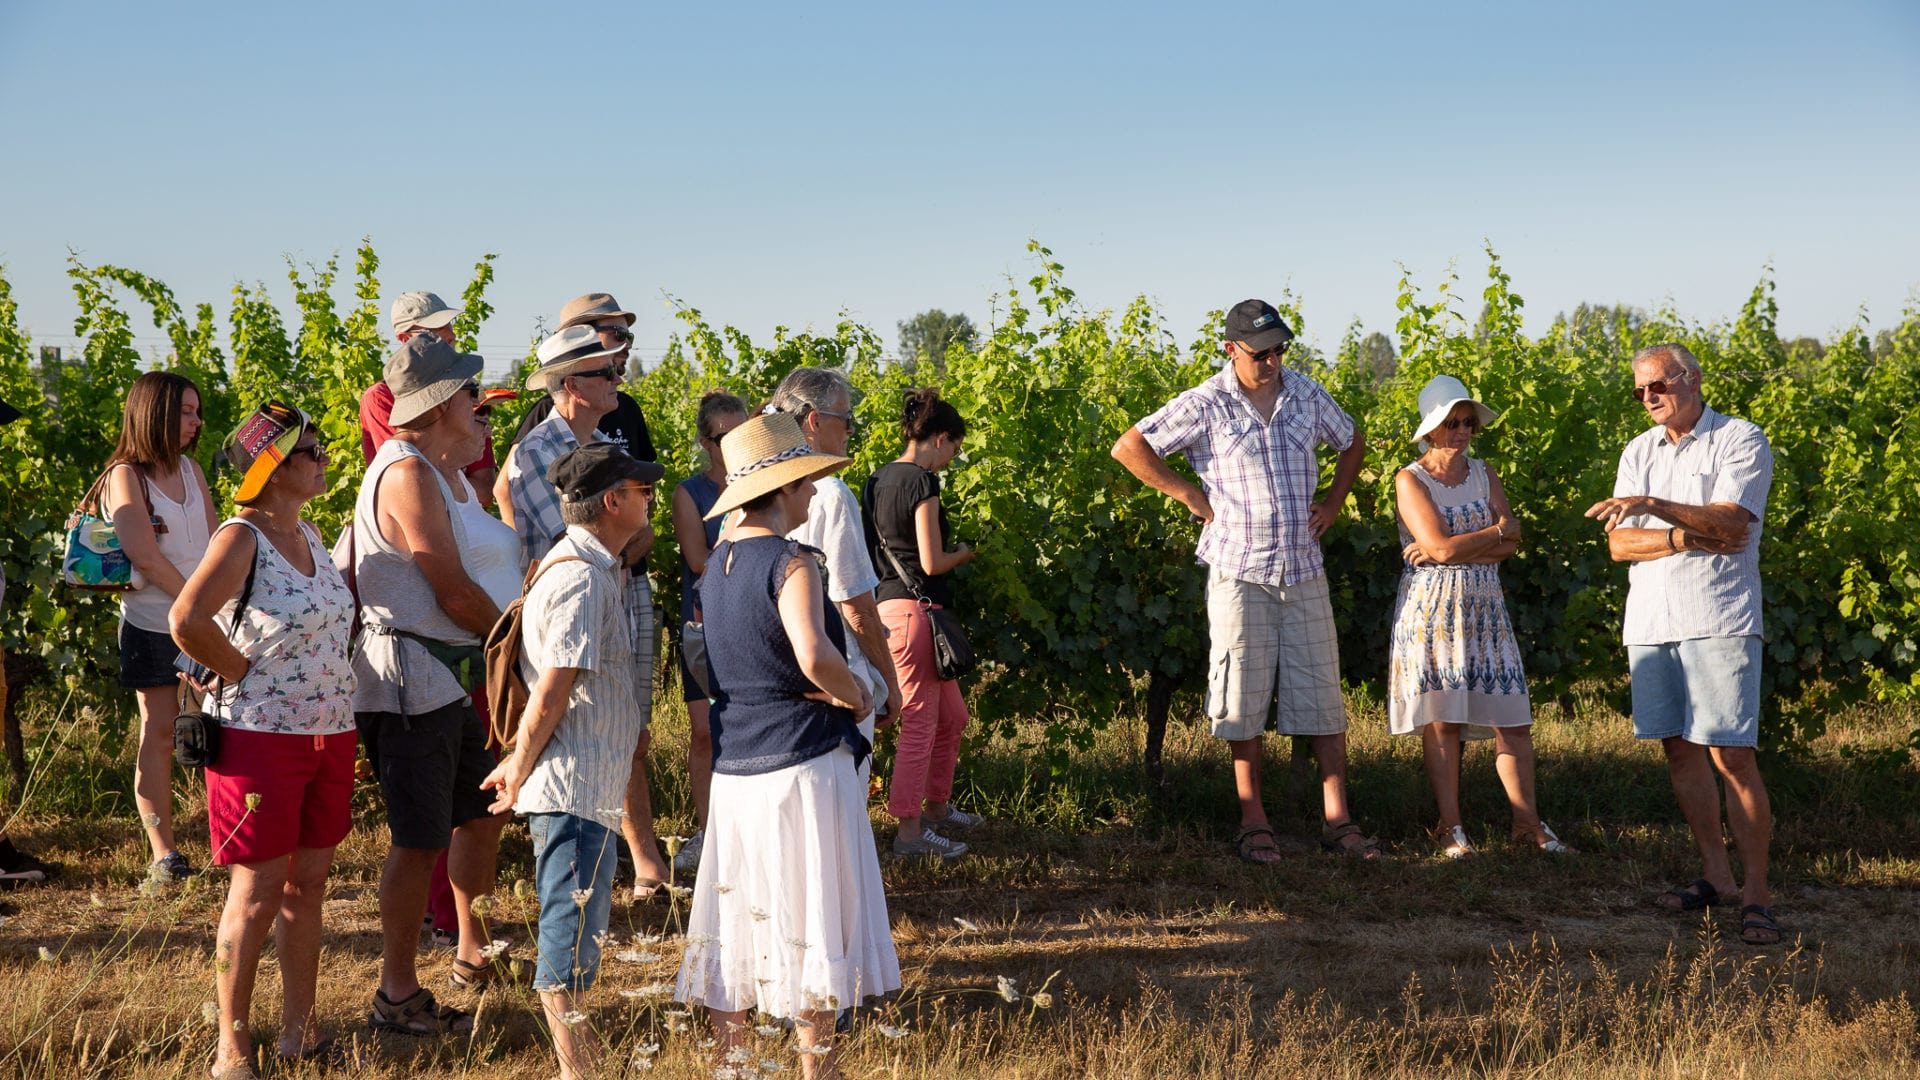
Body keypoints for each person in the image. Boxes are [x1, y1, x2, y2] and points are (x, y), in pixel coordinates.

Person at [675, 412, 899, 1078]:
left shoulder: (715, 565)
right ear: (780, 488)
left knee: (736, 922)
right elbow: (813, 652)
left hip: (738, 766)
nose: (810, 495)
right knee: (810, 920)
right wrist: (860, 695)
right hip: (802, 764)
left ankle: (731, 1064)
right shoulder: (792, 561)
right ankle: (816, 1071)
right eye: (803, 483)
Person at [1111, 299, 1372, 864]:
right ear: (1231, 349)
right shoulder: (1205, 403)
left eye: (1280, 349)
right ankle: (1253, 821)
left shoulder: (1306, 393)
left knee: (1323, 695)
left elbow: (1352, 441)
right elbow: (1130, 446)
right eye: (1261, 352)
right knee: (1242, 695)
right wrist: (1185, 493)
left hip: (1303, 566)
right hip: (1239, 570)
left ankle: (1338, 820)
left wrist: (1333, 500)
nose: (1273, 360)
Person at [171, 402, 356, 1078]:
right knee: (254, 892)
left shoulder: (309, 533)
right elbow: (185, 619)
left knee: (308, 884)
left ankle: (300, 1030)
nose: (324, 456)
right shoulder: (241, 536)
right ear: (273, 466)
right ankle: (232, 1044)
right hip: (258, 737)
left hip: (329, 734)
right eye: (310, 449)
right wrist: (242, 673)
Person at [1584, 343, 1779, 945]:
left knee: (1732, 755)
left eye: (1657, 387)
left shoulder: (1740, 440)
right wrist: (1680, 537)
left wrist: (1651, 507)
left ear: (1691, 380)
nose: (1648, 398)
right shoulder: (1638, 450)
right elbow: (1619, 546)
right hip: (1651, 621)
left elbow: (1730, 523)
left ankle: (1757, 895)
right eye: (1639, 391)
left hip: (1718, 617)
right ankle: (1716, 879)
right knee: (1678, 751)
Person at [482, 443, 662, 1080]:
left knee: (581, 923)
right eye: (642, 491)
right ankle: (573, 1070)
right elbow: (554, 685)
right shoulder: (579, 576)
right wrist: (519, 764)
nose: (650, 499)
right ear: (612, 501)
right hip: (572, 784)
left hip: (590, 782)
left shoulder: (596, 566)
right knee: (570, 927)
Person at [351, 335, 511, 1035]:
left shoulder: (438, 471)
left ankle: (468, 950)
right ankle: (396, 992)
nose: (481, 404)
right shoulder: (405, 472)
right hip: (412, 682)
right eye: (471, 393)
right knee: (417, 841)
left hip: (446, 677)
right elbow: (449, 589)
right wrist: (517, 639)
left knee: (479, 816)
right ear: (443, 402)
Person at [507, 324, 673, 900]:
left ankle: (635, 861)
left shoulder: (607, 441)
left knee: (628, 728)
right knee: (575, 727)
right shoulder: (535, 453)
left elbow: (636, 533)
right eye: (605, 371)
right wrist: (627, 538)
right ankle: (584, 871)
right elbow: (586, 541)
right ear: (571, 385)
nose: (618, 378)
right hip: (577, 612)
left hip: (619, 598)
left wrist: (628, 537)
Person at [1390, 376, 1571, 858]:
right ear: (1431, 428)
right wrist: (1489, 532)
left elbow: (1510, 544)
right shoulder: (1410, 479)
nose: (1463, 430)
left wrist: (1457, 549)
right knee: (1444, 721)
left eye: (1468, 422)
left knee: (1512, 721)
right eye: (1452, 422)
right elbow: (1447, 546)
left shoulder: (1484, 472)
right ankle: (1450, 828)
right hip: (1434, 613)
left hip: (1487, 609)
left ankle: (1527, 823)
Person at [103, 370, 218, 882]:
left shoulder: (191, 470)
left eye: (196, 412)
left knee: (221, 727)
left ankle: (229, 835)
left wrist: (218, 607)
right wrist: (198, 604)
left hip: (202, 618)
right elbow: (144, 557)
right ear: (155, 414)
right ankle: (163, 855)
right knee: (161, 731)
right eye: (185, 412)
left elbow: (216, 540)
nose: (195, 422)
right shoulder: (126, 476)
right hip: (154, 623)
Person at [864, 389, 978, 859]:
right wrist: (966, 553)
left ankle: (936, 808)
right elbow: (931, 561)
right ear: (940, 439)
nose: (952, 458)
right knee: (920, 723)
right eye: (954, 448)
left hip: (889, 608)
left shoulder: (875, 479)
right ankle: (909, 833)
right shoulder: (923, 483)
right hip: (915, 615)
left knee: (953, 717)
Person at [771, 368, 903, 747]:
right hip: (839, 678)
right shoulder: (830, 493)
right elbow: (855, 605)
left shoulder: (754, 492)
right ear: (814, 420)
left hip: (782, 679)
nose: (850, 430)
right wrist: (889, 684)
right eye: (847, 419)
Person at [667, 390, 747, 874]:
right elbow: (699, 561)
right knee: (703, 733)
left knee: (742, 730)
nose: (734, 444)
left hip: (748, 624)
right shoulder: (689, 493)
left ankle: (742, 832)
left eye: (742, 433)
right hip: (703, 627)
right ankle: (708, 831)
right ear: (704, 440)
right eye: (724, 436)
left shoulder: (759, 484)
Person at [360, 291, 499, 504]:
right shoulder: (381, 397)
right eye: (435, 328)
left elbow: (484, 489)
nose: (451, 334)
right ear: (405, 338)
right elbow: (414, 482)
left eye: (450, 324)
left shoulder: (464, 390)